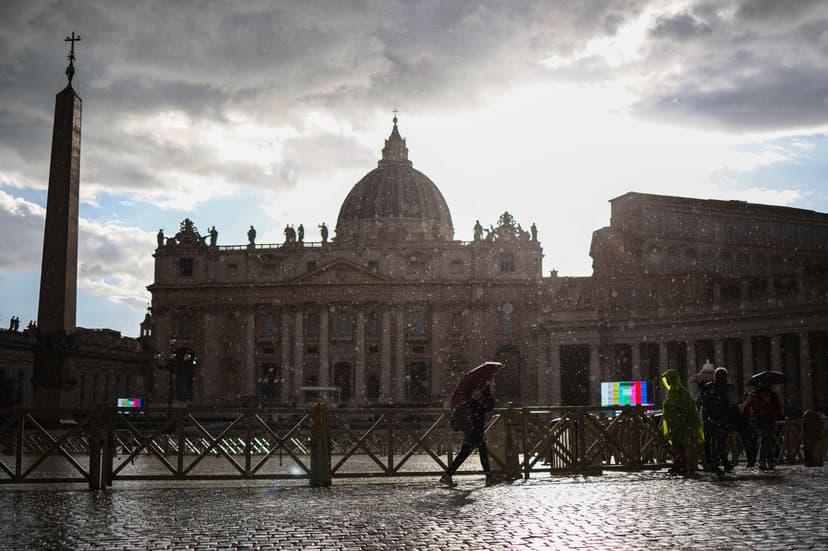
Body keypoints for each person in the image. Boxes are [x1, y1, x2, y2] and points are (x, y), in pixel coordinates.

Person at [441, 384, 495, 486]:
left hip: (473, 432)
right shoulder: (477, 404)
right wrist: (491, 395)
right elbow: (488, 407)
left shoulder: (471, 403)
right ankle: (488, 477)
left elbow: (486, 407)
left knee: (468, 454)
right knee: (477, 454)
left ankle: (448, 475)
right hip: (475, 433)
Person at [661, 369, 704, 476]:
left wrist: (674, 407)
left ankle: (683, 464)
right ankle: (678, 463)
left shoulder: (681, 391)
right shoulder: (670, 391)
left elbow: (687, 406)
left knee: (682, 444)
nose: (668, 381)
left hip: (682, 424)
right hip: (673, 423)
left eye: (669, 379)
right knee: (676, 445)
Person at [697, 367, 740, 474]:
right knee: (720, 442)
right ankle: (715, 464)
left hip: (709, 419)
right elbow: (734, 403)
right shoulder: (728, 388)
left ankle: (722, 463)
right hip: (723, 419)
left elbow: (699, 401)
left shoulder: (709, 386)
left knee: (712, 443)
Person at [741, 383, 782, 470]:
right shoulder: (757, 395)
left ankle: (765, 461)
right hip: (763, 421)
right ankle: (767, 461)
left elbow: (745, 409)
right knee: (766, 439)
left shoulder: (754, 395)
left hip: (761, 421)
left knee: (766, 439)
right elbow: (778, 409)